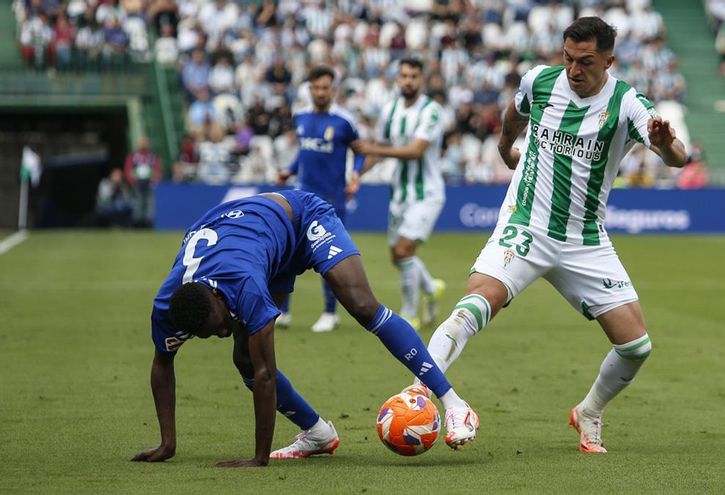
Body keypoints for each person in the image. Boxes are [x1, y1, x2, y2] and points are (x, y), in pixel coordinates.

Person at [413, 17, 687, 454]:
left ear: (608, 61)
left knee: (636, 346)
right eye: (568, 58)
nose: (574, 70)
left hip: (584, 238)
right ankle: (418, 396)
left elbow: (676, 158)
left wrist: (667, 143)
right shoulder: (540, 81)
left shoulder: (629, 103)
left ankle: (589, 411)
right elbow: (515, 111)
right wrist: (505, 146)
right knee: (474, 306)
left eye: (586, 62)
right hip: (526, 222)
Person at [131, 190, 478, 467]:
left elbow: (267, 375)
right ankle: (317, 434)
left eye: (220, 325)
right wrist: (167, 442)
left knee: (361, 305)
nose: (221, 334)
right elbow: (162, 364)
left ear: (219, 298)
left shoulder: (244, 286)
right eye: (211, 335)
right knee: (244, 359)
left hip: (299, 217)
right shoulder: (167, 307)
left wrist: (259, 458)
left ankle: (454, 402)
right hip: (259, 244)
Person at [352, 58, 447, 330]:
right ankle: (431, 287)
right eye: (404, 76)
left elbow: (415, 150)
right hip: (399, 194)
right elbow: (380, 150)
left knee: (404, 250)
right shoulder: (390, 110)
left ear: (422, 80)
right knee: (397, 256)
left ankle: (409, 313)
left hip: (426, 193)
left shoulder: (432, 111)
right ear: (397, 79)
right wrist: (358, 174)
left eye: (413, 76)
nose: (408, 81)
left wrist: (373, 149)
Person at [275, 65, 365, 332]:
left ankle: (330, 313)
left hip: (331, 201)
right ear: (310, 89)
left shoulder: (344, 121)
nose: (320, 92)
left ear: (333, 90)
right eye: (316, 88)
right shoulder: (300, 117)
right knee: (286, 254)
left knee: (329, 258)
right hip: (300, 199)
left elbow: (360, 152)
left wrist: (356, 174)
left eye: (325, 88)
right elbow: (304, 153)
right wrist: (289, 170)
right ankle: (282, 311)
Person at [123, 137, 162, 227]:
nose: (143, 144)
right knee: (138, 203)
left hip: (149, 183)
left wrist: (155, 179)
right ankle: (138, 223)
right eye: (142, 143)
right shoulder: (133, 156)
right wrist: (132, 180)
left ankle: (148, 223)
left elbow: (157, 169)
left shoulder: (153, 156)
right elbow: (128, 169)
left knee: (150, 203)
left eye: (145, 142)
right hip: (137, 183)